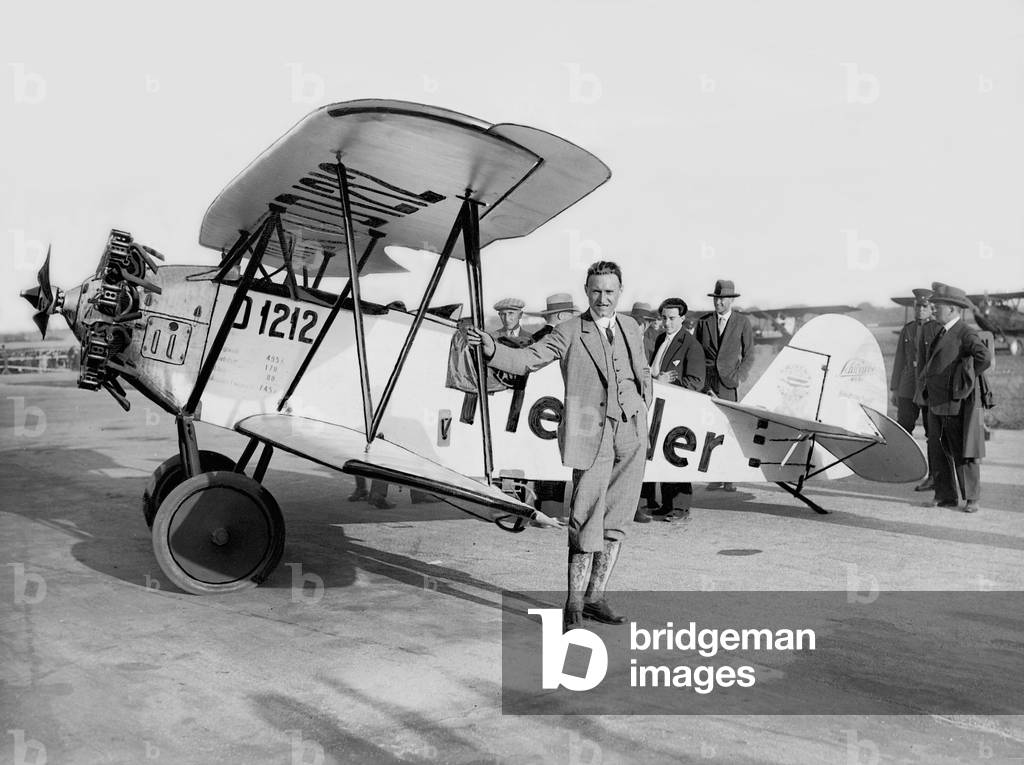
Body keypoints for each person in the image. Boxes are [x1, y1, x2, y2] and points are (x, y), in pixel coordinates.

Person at [466, 261, 652, 632]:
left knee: (617, 521)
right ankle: (573, 606)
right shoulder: (569, 331)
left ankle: (597, 598)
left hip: (631, 432)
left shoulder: (630, 326)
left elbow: (641, 370)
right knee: (585, 519)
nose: (603, 298)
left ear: (620, 291)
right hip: (590, 437)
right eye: (596, 291)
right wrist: (492, 351)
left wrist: (642, 405)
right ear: (586, 290)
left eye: (610, 291)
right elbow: (528, 359)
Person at [920, 282, 991, 513]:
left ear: (951, 309)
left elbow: (984, 358)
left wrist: (965, 380)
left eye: (937, 306)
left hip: (954, 402)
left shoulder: (965, 331)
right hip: (936, 402)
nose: (932, 309)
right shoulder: (941, 331)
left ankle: (972, 499)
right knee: (938, 451)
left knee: (962, 451)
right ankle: (946, 496)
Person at [694, 279, 754, 491]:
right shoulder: (703, 323)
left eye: (723, 299)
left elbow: (749, 355)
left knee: (729, 429)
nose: (719, 302)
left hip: (729, 384)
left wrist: (739, 376)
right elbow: (697, 354)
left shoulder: (742, 322)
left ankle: (729, 477)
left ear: (731, 300)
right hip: (708, 383)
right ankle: (714, 475)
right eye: (716, 298)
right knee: (709, 428)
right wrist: (702, 382)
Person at [648, 298, 705, 521]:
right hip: (662, 409)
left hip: (680, 410)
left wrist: (669, 384)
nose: (667, 323)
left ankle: (680, 507)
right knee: (665, 456)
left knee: (677, 457)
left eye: (672, 318)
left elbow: (696, 382)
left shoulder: (691, 345)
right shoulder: (663, 339)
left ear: (683, 318)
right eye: (664, 318)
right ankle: (667, 503)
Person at [891, 288, 942, 491]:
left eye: (923, 306)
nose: (919, 310)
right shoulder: (908, 329)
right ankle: (902, 469)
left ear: (931, 309)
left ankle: (934, 476)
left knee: (933, 431)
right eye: (917, 306)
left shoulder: (938, 329)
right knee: (903, 427)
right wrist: (895, 388)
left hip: (929, 385)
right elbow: (899, 360)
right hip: (907, 384)